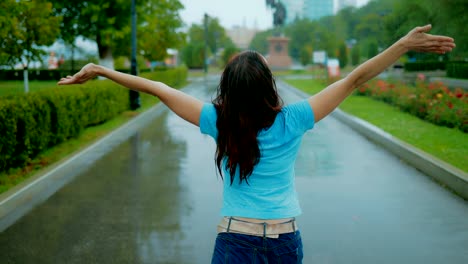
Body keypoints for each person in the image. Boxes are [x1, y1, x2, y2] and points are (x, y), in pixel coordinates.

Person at [58, 25, 455, 263]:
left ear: (228, 89)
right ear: (268, 84)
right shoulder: (295, 118)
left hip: (234, 239)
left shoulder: (218, 120)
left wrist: (100, 70)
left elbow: (160, 89)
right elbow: (354, 79)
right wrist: (402, 44)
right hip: (284, 240)